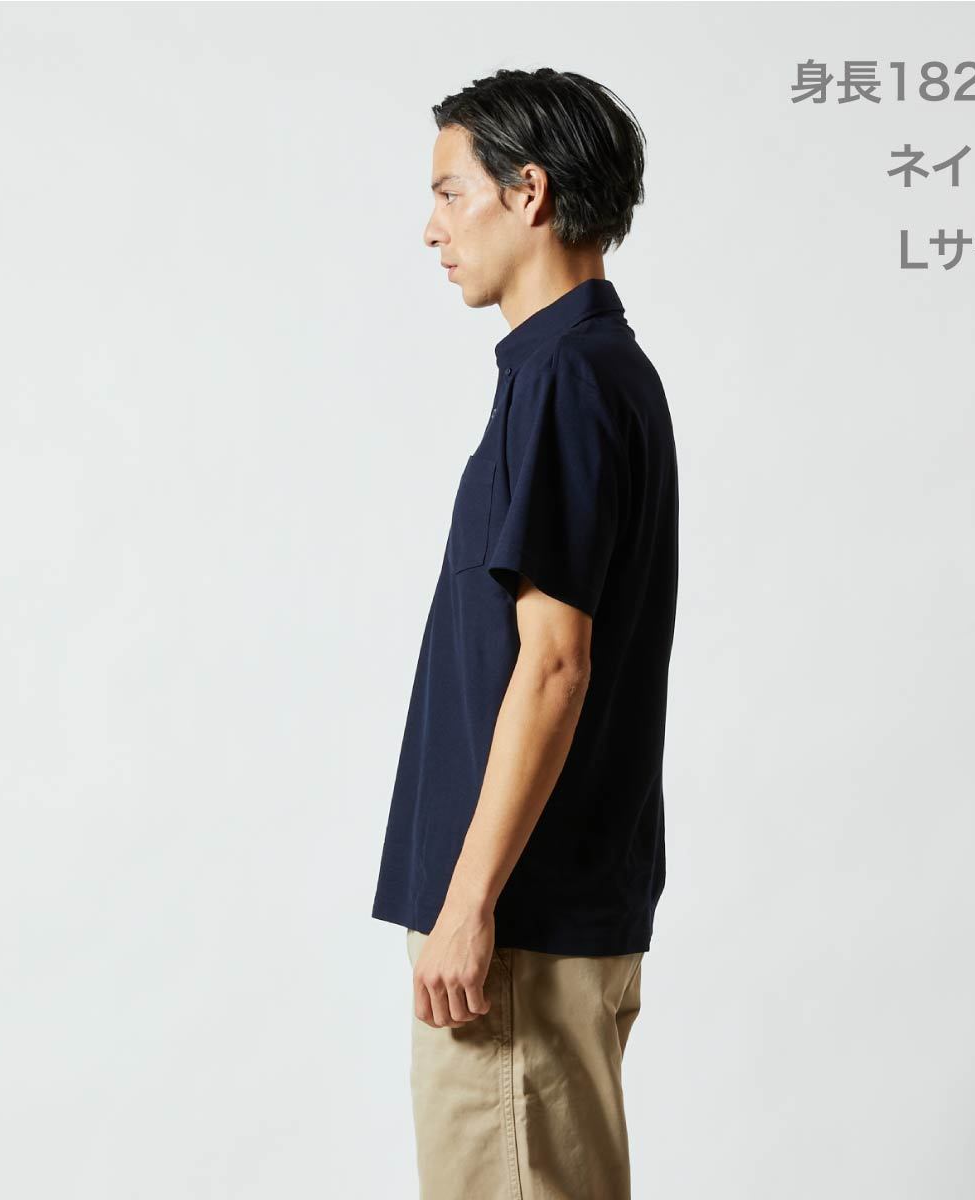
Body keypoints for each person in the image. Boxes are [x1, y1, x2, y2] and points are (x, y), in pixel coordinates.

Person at [371, 66, 679, 1200]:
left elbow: (554, 665)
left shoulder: (567, 380)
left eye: (451, 193)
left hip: (514, 930)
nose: (433, 228)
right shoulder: (586, 373)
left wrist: (468, 904)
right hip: (537, 919)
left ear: (529, 192)